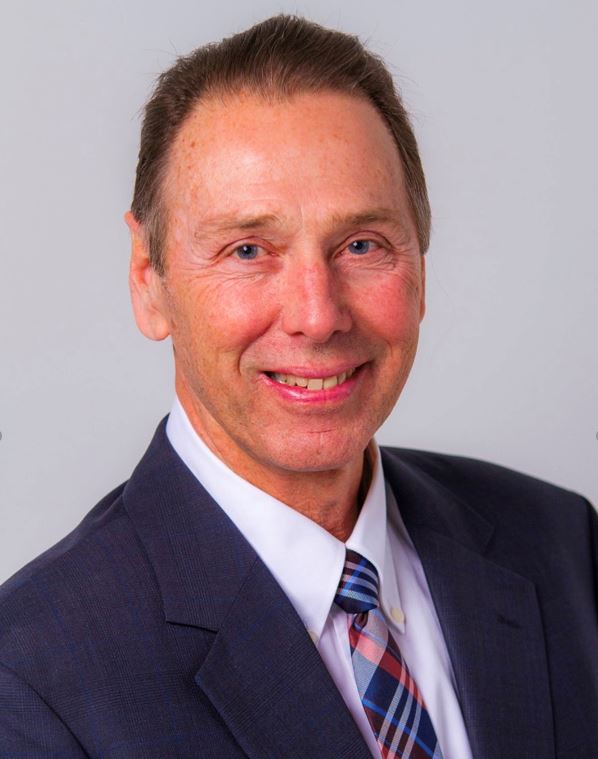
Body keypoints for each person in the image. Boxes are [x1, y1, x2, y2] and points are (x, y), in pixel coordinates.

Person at [0, 14, 596, 759]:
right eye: (248, 250)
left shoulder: (560, 546)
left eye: (362, 244)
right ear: (149, 280)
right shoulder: (31, 679)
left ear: (420, 261)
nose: (317, 316)